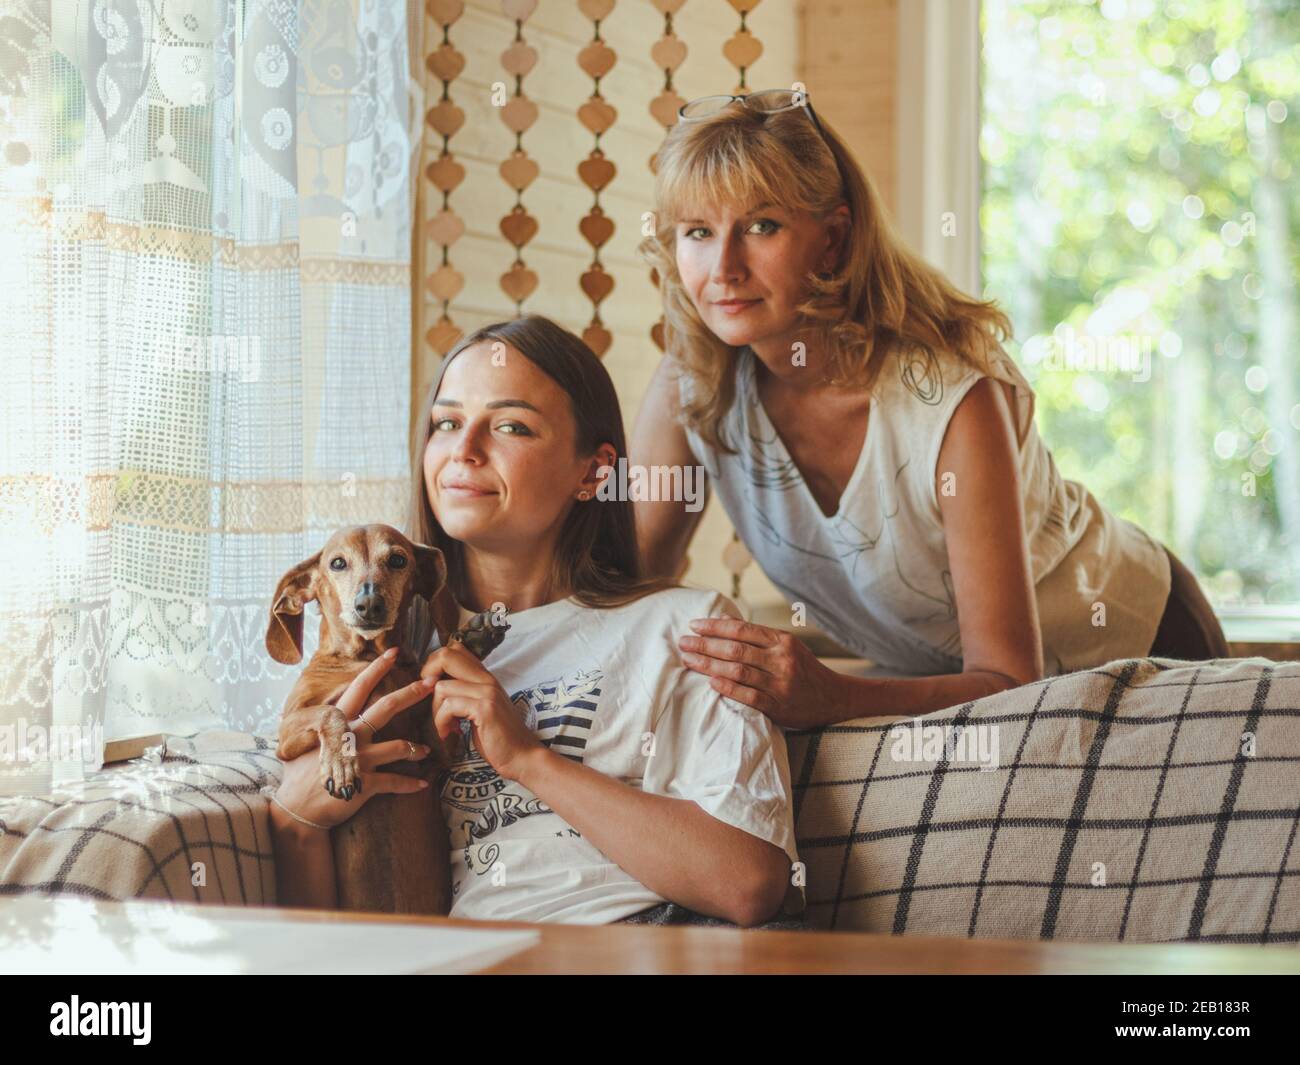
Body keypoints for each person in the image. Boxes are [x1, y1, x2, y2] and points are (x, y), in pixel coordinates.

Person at [631, 88, 1229, 730]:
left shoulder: (949, 398)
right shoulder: (692, 385)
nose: (723, 267)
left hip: (1140, 646)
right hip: (959, 687)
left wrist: (833, 698)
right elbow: (626, 590)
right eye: (698, 232)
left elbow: (1007, 684)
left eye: (761, 226)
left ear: (832, 239)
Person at [269, 315, 805, 929]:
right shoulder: (393, 658)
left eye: (510, 426)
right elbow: (332, 938)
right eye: (446, 423)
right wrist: (297, 819)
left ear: (594, 472)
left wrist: (527, 757)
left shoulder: (682, 626)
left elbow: (750, 883)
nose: (463, 449)